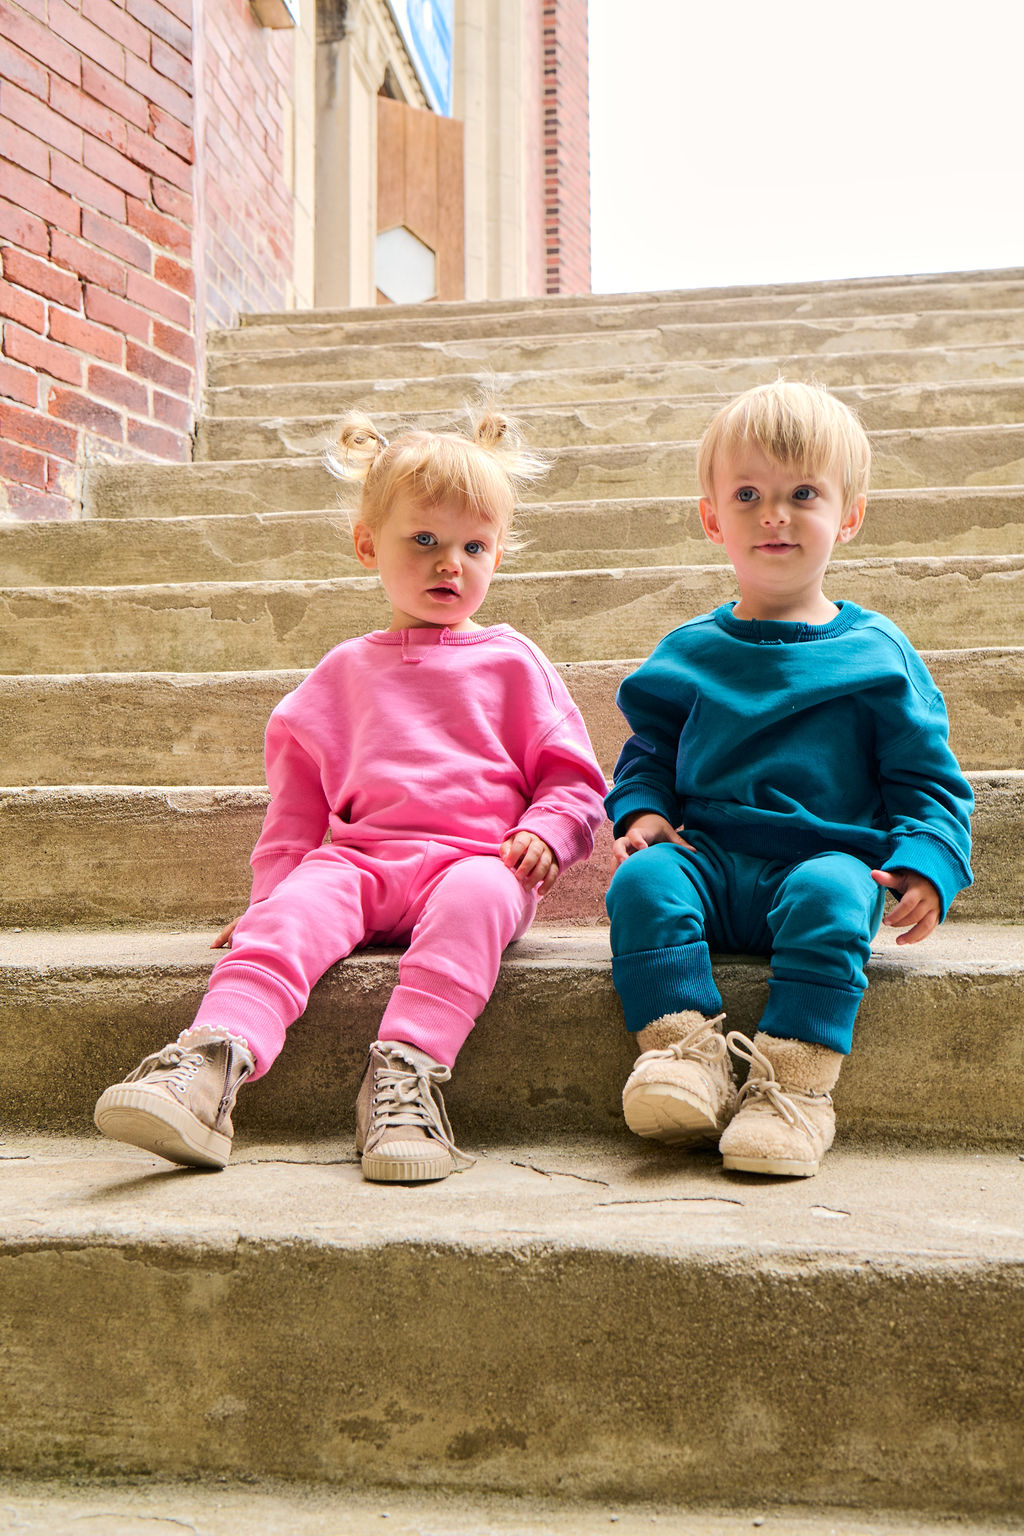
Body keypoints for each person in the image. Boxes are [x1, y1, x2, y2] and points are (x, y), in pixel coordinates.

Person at [95, 411, 607, 1182]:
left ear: (497, 552)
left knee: (476, 898)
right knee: (291, 917)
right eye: (424, 541)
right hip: (359, 861)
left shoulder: (513, 662)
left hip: (479, 859)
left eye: (474, 546)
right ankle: (206, 1067)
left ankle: (403, 1078)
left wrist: (549, 831)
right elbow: (296, 808)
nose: (451, 565)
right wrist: (271, 896)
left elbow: (574, 780)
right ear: (369, 545)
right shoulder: (338, 674)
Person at [604, 380, 973, 1178]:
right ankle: (684, 1057)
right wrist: (641, 812)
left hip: (823, 865)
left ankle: (794, 1090)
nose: (774, 514)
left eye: (802, 493)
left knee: (837, 898)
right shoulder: (687, 652)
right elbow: (648, 753)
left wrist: (927, 864)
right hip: (708, 860)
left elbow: (928, 779)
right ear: (713, 519)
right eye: (749, 495)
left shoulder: (878, 653)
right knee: (640, 886)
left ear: (849, 515)